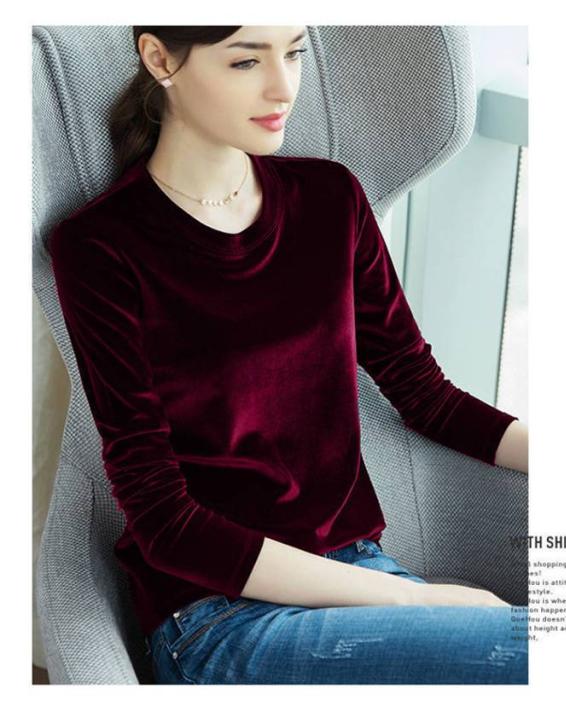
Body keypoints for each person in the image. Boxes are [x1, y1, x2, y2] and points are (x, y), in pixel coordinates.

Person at [48, 25, 529, 684]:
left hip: (357, 573)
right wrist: (415, 598)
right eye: (246, 61)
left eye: (295, 53)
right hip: (221, 617)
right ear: (159, 58)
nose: (284, 87)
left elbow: (426, 395)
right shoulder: (102, 249)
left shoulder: (331, 199)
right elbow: (165, 520)